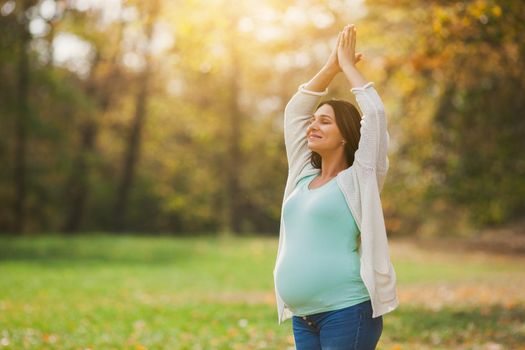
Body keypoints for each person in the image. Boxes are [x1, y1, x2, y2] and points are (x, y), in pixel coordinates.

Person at [273, 24, 399, 350]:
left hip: (347, 312)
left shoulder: (360, 178)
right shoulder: (302, 175)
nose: (313, 125)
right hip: (305, 318)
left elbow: (375, 114)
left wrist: (349, 69)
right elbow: (295, 111)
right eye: (314, 120)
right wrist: (330, 67)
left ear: (345, 134)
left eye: (325, 121)